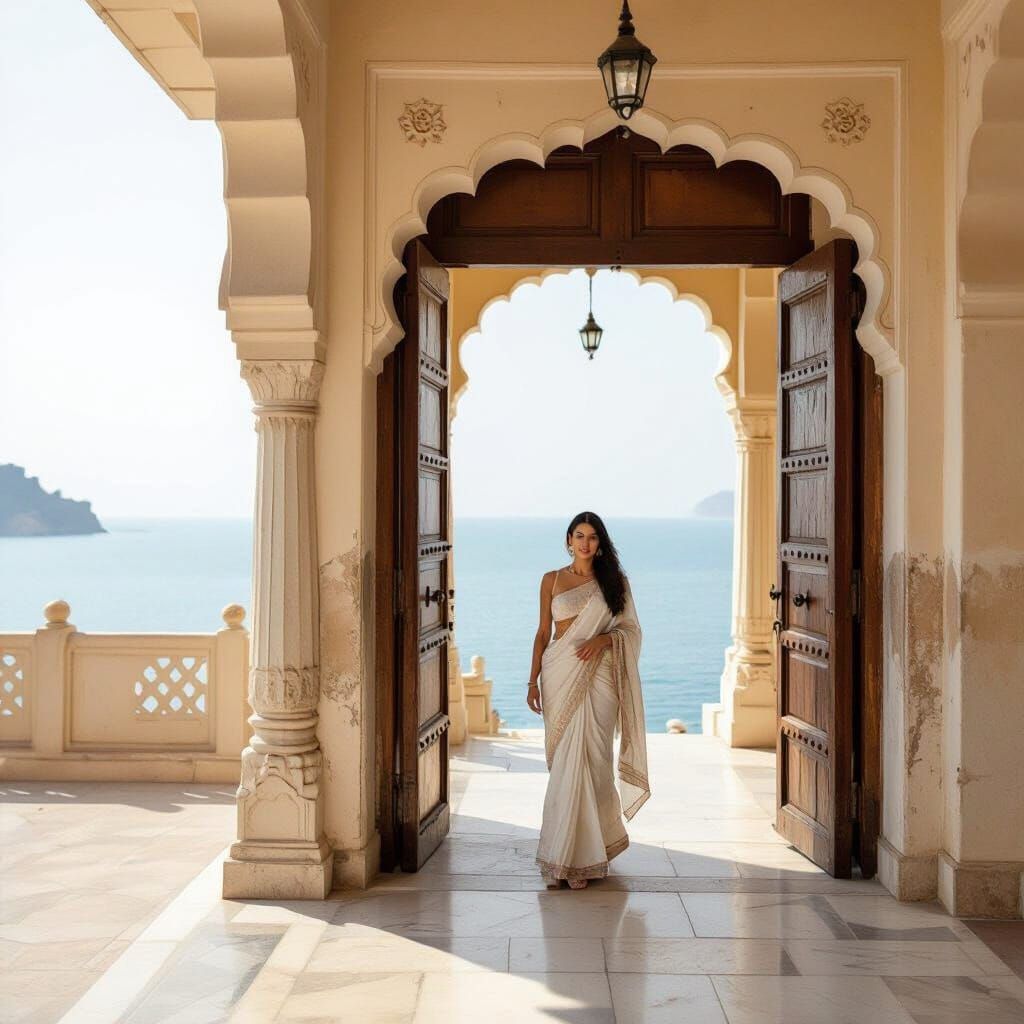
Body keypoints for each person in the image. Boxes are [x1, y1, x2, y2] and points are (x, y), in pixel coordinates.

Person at [526, 511, 650, 890]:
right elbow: (542, 633)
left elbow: (631, 630)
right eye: (579, 536)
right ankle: (561, 857)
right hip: (559, 675)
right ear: (569, 540)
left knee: (594, 761)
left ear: (600, 543)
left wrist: (603, 640)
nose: (585, 543)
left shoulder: (616, 583)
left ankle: (588, 857)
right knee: (566, 765)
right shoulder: (551, 579)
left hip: (601, 679)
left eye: (592, 537)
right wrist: (532, 681)